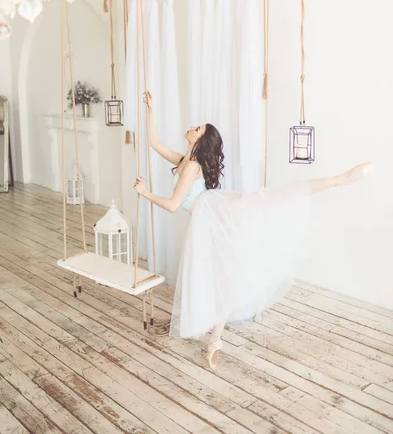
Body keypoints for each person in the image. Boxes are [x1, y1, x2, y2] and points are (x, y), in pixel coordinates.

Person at [134, 91, 373, 369]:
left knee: (273, 200)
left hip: (217, 216)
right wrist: (151, 109)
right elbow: (154, 142)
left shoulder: (191, 168)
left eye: (196, 128)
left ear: (200, 141)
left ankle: (339, 179)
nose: (191, 127)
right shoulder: (185, 162)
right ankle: (215, 340)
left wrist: (145, 193)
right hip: (213, 218)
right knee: (226, 273)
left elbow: (174, 205)